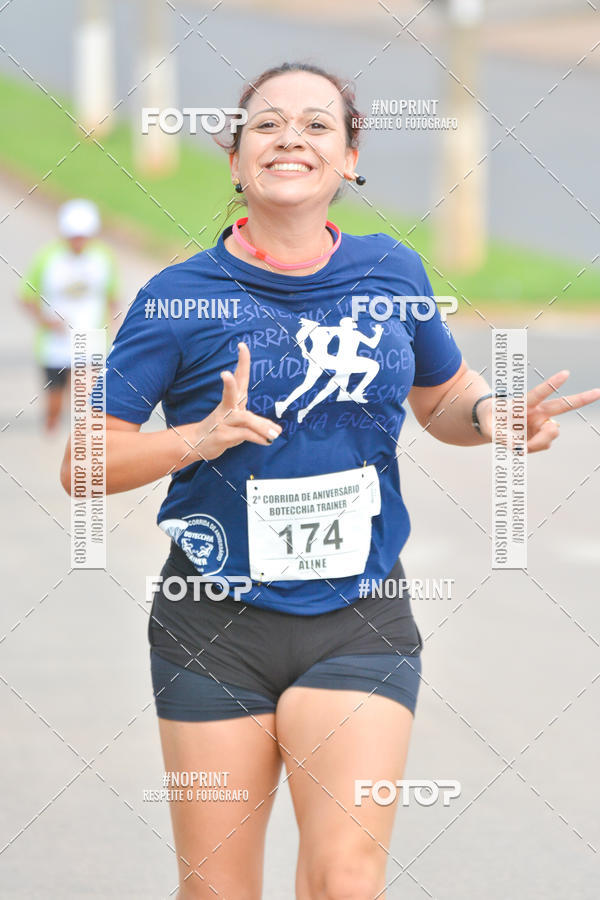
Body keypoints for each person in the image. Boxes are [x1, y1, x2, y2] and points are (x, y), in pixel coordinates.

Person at [60, 62, 600, 899]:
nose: (291, 138)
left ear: (349, 159)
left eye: (318, 125)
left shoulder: (394, 274)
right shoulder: (178, 298)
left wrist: (492, 416)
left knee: (346, 880)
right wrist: (195, 439)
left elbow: (444, 397)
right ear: (236, 160)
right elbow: (82, 462)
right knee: (216, 889)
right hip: (213, 623)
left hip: (359, 617)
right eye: (267, 124)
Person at [20, 198, 119, 431]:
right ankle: (51, 429)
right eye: (74, 235)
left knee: (90, 399)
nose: (78, 241)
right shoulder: (47, 257)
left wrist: (111, 324)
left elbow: (112, 295)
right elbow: (27, 296)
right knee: (55, 399)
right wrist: (45, 321)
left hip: (91, 339)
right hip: (54, 343)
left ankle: (83, 442)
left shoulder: (103, 257)